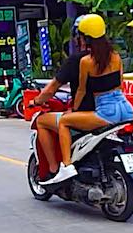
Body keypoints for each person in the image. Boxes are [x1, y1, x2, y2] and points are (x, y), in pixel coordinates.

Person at [40, 14, 133, 186]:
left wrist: (74, 110)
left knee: (64, 122)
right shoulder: (116, 56)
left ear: (84, 37)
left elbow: (82, 90)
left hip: (106, 112)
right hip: (126, 109)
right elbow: (120, 84)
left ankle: (67, 166)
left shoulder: (86, 62)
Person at [27, 16, 98, 177]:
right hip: (115, 111)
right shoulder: (112, 58)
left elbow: (52, 90)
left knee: (42, 121)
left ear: (80, 37)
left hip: (88, 115)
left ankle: (55, 169)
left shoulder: (78, 61)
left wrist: (35, 101)